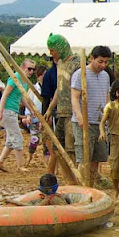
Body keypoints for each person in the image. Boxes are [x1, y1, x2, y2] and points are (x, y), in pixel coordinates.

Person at [70, 46, 111, 186]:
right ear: (91, 58)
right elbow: (74, 98)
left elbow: (106, 97)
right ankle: (82, 187)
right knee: (84, 159)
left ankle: (91, 187)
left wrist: (107, 116)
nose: (103, 65)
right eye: (100, 61)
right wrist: (80, 117)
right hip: (84, 122)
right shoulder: (80, 74)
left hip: (100, 123)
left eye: (106, 62)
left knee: (96, 159)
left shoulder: (105, 76)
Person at [44, 34, 80, 184]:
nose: (51, 54)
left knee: (71, 150)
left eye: (53, 50)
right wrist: (50, 108)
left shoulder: (77, 64)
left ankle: (78, 180)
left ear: (60, 48)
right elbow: (59, 89)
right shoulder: (59, 64)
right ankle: (69, 181)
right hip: (61, 112)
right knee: (58, 149)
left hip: (73, 113)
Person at [0, 59, 36, 172]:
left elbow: (22, 98)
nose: (31, 72)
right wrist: (0, 111)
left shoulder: (24, 82)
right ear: (22, 67)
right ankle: (20, 166)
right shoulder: (15, 78)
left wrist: (31, 109)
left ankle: (0, 162)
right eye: (29, 69)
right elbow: (5, 94)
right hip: (8, 110)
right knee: (18, 138)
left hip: (13, 111)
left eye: (33, 69)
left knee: (11, 140)